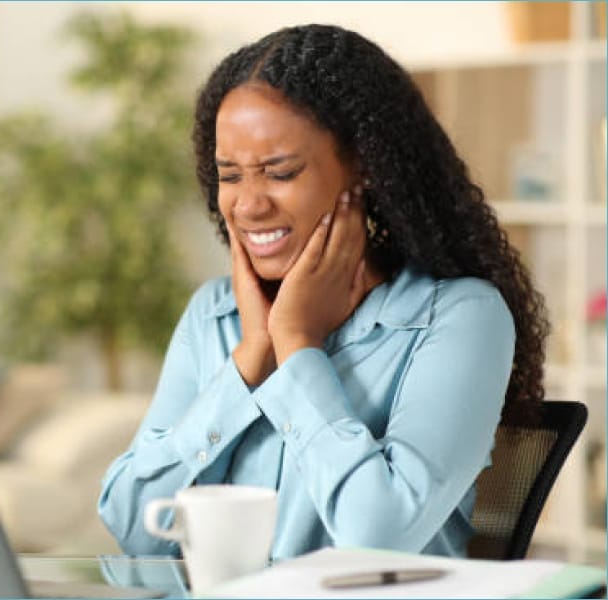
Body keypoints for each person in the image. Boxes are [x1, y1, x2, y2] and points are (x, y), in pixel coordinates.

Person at [97, 24, 548, 560]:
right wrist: (249, 358)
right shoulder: (214, 317)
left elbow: (378, 538)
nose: (249, 204)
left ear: (363, 166)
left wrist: (296, 344)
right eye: (231, 176)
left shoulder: (459, 317)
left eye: (280, 172)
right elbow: (133, 528)